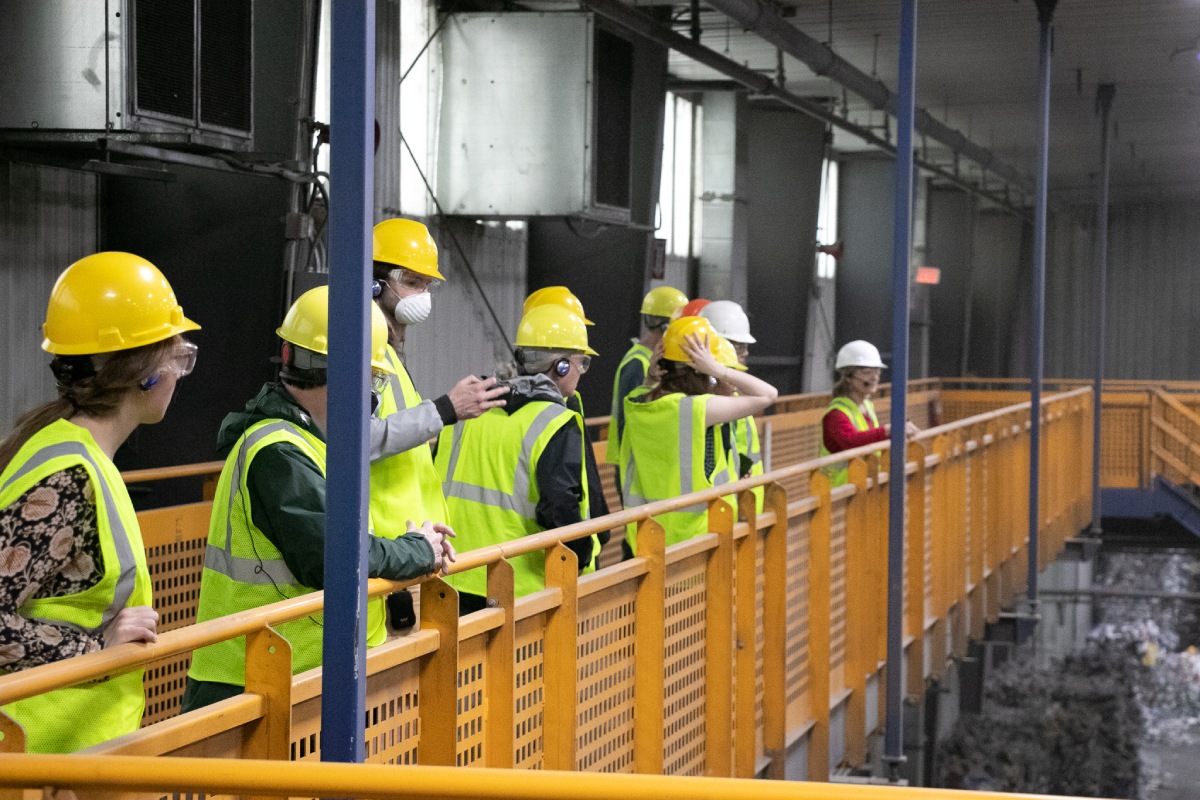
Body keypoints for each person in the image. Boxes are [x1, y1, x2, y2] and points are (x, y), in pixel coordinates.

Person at [182, 287, 455, 712]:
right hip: (250, 686)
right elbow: (335, 555)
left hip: (287, 675)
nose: (374, 395)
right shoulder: (279, 451)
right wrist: (416, 550)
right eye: (374, 378)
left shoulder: (308, 443)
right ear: (347, 376)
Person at [0, 251, 200, 753]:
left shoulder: (69, 451)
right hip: (42, 762)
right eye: (179, 357)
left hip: (69, 758)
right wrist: (94, 648)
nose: (180, 374)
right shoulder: (68, 476)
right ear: (146, 370)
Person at [369, 218, 508, 628]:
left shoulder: (389, 348)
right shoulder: (366, 345)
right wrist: (445, 410)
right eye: (412, 282)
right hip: (386, 549)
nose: (422, 295)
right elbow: (358, 437)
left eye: (428, 285)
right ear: (376, 283)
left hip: (408, 550)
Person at [434, 304, 598, 613]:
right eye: (582, 363)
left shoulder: (470, 410)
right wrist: (582, 557)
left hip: (455, 577)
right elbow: (560, 508)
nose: (583, 372)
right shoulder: (554, 421)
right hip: (521, 587)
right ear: (561, 366)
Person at [619, 316, 777, 554]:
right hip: (692, 543)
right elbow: (768, 395)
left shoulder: (636, 404)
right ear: (699, 370)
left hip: (646, 538)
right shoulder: (694, 410)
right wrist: (718, 369)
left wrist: (651, 377)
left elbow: (648, 391)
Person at [522, 287, 609, 563]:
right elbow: (559, 499)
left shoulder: (570, 400)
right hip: (539, 566)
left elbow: (586, 475)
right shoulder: (552, 413)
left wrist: (600, 528)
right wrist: (582, 552)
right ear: (559, 365)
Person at [606, 286, 688, 476]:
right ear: (666, 326)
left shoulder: (650, 359)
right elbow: (631, 417)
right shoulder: (638, 363)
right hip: (633, 460)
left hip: (642, 458)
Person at [819, 340, 920, 487]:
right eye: (867, 372)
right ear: (848, 376)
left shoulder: (866, 406)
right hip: (841, 494)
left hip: (864, 486)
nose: (875, 377)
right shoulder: (835, 414)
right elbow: (849, 441)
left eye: (877, 371)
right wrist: (888, 431)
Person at [702, 300, 765, 514]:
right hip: (722, 508)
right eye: (739, 346)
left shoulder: (732, 391)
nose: (745, 353)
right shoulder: (706, 400)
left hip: (741, 500)